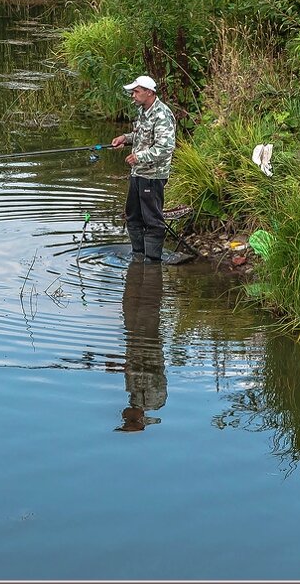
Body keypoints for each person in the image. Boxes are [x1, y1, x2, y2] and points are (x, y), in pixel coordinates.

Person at [111, 75, 176, 261]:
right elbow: (141, 135)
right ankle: (138, 256)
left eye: (136, 92)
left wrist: (139, 157)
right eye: (132, 92)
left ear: (149, 92)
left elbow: (165, 147)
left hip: (153, 176)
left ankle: (153, 262)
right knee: (132, 216)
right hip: (137, 173)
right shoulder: (143, 110)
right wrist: (125, 138)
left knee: (152, 221)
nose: (133, 95)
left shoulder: (162, 114)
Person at [114, 258, 166, 432]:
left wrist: (122, 365)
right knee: (144, 309)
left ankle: (146, 271)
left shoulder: (137, 400)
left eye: (124, 420)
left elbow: (135, 368)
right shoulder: (153, 402)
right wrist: (125, 366)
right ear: (137, 420)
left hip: (139, 344)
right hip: (147, 344)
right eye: (126, 420)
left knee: (138, 309)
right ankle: (148, 272)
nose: (122, 415)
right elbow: (150, 371)